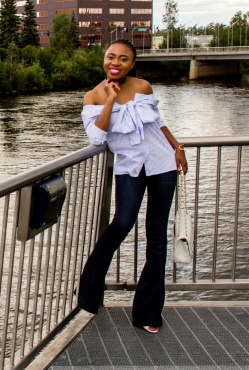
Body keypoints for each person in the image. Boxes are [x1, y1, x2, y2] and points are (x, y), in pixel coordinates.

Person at [78, 39, 188, 334]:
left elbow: (158, 123)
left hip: (161, 163)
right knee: (122, 222)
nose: (116, 63)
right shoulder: (92, 97)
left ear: (132, 64)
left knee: (157, 236)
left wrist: (177, 147)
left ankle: (148, 313)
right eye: (111, 57)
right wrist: (111, 100)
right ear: (104, 59)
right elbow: (97, 139)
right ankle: (88, 293)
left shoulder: (143, 87)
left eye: (123, 59)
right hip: (129, 168)